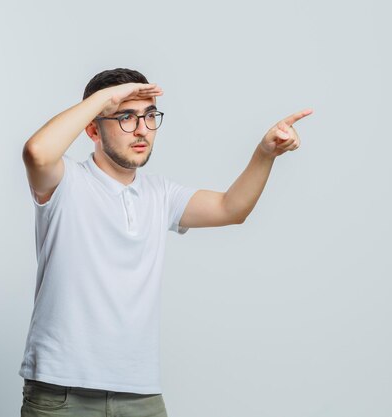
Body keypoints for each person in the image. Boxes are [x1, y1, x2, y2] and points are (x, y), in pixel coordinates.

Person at [18, 67, 313, 417]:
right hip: (61, 391)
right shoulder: (66, 181)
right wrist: (102, 99)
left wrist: (265, 153)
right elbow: (36, 152)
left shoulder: (160, 195)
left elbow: (231, 208)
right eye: (126, 116)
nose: (142, 129)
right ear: (93, 129)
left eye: (149, 116)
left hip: (139, 393)